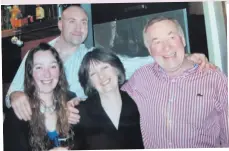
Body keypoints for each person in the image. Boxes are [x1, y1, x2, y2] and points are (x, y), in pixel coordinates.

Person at [5, 5, 214, 123]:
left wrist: (178, 56)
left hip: (74, 131)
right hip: (34, 127)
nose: (79, 28)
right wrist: (16, 95)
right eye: (72, 22)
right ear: (60, 24)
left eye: (84, 22)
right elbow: (11, 94)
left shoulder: (91, 59)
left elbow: (129, 64)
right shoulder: (36, 55)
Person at [121, 16, 229, 148]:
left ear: (183, 40)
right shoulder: (140, 78)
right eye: (157, 42)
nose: (166, 47)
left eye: (172, 38)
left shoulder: (215, 79)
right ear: (149, 50)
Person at [4, 43, 74, 151]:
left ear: (60, 71)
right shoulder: (18, 113)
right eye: (39, 67)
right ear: (30, 73)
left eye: (53, 66)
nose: (47, 74)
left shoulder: (71, 101)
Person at [72, 48, 144, 149]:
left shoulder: (136, 100)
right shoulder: (80, 113)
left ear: (116, 69)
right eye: (93, 74)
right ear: (90, 83)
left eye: (105, 68)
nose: (101, 76)